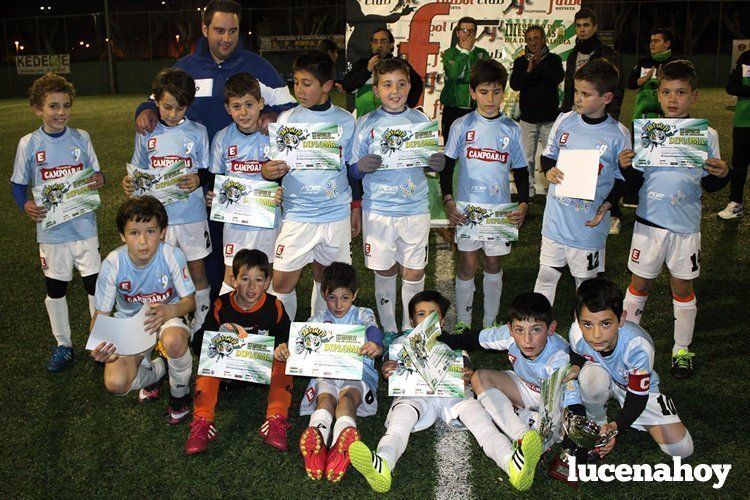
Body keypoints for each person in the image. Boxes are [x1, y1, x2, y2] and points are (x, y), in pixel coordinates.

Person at [133, 0, 296, 304]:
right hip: (196, 179)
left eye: (232, 31)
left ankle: (258, 315)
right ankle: (210, 315)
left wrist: (272, 115)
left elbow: (290, 109)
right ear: (205, 29)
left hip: (243, 180)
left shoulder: (260, 67)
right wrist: (145, 110)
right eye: (219, 30)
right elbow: (157, 100)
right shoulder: (186, 68)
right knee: (204, 252)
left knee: (244, 253)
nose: (226, 38)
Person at [349, 291, 541, 492]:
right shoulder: (402, 342)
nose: (427, 318)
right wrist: (388, 368)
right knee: (399, 423)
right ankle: (383, 463)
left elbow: (465, 363)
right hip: (416, 393)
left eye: (433, 314)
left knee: (481, 422)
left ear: (441, 321)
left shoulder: (451, 342)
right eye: (422, 314)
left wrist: (466, 373)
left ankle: (512, 463)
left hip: (452, 393)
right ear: (413, 321)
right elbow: (390, 362)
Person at [619, 60, 729, 378]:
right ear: (659, 93)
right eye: (667, 91)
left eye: (680, 92)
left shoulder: (706, 135)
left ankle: (681, 349)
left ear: (694, 96)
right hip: (649, 222)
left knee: (682, 286)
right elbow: (636, 185)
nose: (672, 99)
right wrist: (627, 167)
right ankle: (627, 344)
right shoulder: (649, 132)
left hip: (684, 225)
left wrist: (722, 175)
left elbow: (707, 183)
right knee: (639, 283)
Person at [438, 292, 582, 491]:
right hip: (524, 387)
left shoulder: (558, 358)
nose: (527, 339)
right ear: (510, 329)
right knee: (479, 377)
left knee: (550, 425)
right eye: (519, 330)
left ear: (551, 329)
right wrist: (435, 337)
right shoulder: (508, 335)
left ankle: (531, 426)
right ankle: (523, 436)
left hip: (552, 403)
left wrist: (572, 438)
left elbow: (571, 400)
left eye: (536, 330)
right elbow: (471, 340)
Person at [11, 72, 105, 372]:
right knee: (56, 288)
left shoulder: (82, 137)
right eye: (53, 106)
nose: (61, 112)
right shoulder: (28, 143)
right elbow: (17, 185)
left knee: (94, 285)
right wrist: (24, 203)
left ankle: (99, 342)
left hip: (84, 226)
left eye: (65, 106)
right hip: (51, 232)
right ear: (38, 108)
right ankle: (63, 344)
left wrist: (98, 180)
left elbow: (96, 175)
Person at [348, 58, 445, 337]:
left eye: (401, 84)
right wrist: (359, 167)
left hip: (414, 208)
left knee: (414, 272)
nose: (395, 90)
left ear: (409, 86)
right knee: (386, 270)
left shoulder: (420, 120)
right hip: (379, 210)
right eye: (387, 84)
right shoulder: (366, 123)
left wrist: (434, 164)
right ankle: (390, 328)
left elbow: (428, 161)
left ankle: (408, 328)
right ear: (376, 89)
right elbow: (352, 168)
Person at [261, 51, 359, 322]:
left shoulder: (345, 121)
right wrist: (268, 171)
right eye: (296, 82)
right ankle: (284, 335)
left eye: (307, 83)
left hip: (334, 213)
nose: (299, 90)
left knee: (328, 282)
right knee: (281, 282)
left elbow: (352, 169)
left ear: (326, 85)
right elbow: (272, 166)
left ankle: (321, 334)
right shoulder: (287, 120)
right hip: (298, 213)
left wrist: (356, 208)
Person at [274, 263, 384, 483]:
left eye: (345, 297)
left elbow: (373, 329)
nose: (338, 304)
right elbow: (299, 340)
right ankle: (318, 444)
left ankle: (341, 445)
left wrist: (375, 343)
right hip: (325, 371)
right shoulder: (317, 320)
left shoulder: (362, 314)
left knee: (349, 397)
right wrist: (285, 347)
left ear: (355, 295)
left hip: (357, 371)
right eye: (332, 297)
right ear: (323, 294)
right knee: (325, 399)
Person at [90, 196, 196, 424]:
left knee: (175, 340)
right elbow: (102, 314)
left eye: (150, 231)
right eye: (134, 233)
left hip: (167, 315)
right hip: (130, 322)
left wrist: (170, 311)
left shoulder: (172, 256)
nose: (143, 241)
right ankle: (159, 371)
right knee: (116, 384)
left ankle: (180, 395)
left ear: (163, 232)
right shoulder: (112, 264)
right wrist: (97, 344)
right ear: (122, 236)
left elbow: (189, 301)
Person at [534, 59, 630, 307]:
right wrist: (549, 170)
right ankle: (536, 333)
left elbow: (622, 180)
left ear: (606, 97)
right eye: (576, 91)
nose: (577, 98)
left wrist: (607, 205)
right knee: (546, 274)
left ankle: (586, 340)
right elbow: (548, 154)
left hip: (588, 224)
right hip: (556, 219)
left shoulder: (618, 134)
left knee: (586, 286)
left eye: (586, 94)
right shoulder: (564, 120)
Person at [441, 59, 529, 329]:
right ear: (472, 92)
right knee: (467, 264)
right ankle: (465, 323)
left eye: (496, 92)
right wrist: (448, 200)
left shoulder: (512, 129)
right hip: (468, 210)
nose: (490, 99)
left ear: (504, 92)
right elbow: (447, 167)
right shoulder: (461, 125)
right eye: (483, 92)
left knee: (493, 264)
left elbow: (522, 169)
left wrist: (524, 203)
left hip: (499, 211)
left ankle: (490, 322)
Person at [124, 68, 212, 333]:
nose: (173, 114)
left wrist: (199, 180)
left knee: (196, 272)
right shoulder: (146, 132)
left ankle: (201, 323)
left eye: (180, 108)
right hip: (158, 219)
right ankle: (166, 322)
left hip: (191, 216)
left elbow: (208, 168)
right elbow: (137, 169)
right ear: (156, 101)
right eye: (167, 107)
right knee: (161, 274)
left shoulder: (198, 131)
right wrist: (128, 182)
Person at [567, 278, 694, 460]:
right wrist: (576, 366)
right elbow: (577, 350)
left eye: (605, 323)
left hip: (634, 390)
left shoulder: (638, 346)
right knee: (591, 378)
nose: (596, 334)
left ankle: (632, 418)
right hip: (604, 375)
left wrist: (615, 427)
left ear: (621, 319)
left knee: (681, 449)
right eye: (587, 324)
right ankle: (597, 422)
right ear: (579, 321)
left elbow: (636, 399)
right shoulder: (577, 333)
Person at [185, 249, 293, 455]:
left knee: (284, 360)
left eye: (258, 279)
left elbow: (286, 336)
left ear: (267, 281)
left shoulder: (274, 306)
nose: (252, 287)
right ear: (234, 280)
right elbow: (199, 342)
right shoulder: (220, 305)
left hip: (261, 371)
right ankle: (202, 421)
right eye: (245, 279)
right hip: (229, 374)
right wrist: (216, 336)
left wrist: (282, 346)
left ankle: (276, 419)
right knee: (211, 358)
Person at [208, 73, 282, 295]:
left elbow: (286, 175)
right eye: (237, 106)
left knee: (266, 276)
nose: (243, 112)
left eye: (249, 105)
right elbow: (216, 178)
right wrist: (213, 195)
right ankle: (226, 327)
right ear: (228, 108)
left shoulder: (273, 135)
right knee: (232, 278)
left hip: (268, 220)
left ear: (261, 104)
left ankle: (271, 326)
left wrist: (278, 186)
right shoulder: (222, 138)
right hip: (235, 223)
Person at [560, 8, 626, 235]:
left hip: (601, 119)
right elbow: (570, 88)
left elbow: (617, 89)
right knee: (580, 168)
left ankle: (613, 213)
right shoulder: (572, 55)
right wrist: (564, 112)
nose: (582, 30)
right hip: (576, 119)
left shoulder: (608, 54)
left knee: (607, 169)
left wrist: (611, 118)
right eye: (579, 26)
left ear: (595, 27)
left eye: (587, 25)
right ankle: (578, 211)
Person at [510, 25, 565, 198]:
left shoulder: (554, 60)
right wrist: (528, 69)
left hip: (550, 119)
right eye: (530, 39)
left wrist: (539, 64)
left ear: (544, 40)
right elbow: (515, 84)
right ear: (526, 41)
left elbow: (557, 78)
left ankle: (556, 192)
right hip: (527, 119)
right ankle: (528, 193)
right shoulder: (520, 62)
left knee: (553, 157)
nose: (533, 42)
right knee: (526, 159)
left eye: (537, 38)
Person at [341, 28, 424, 117]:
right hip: (366, 119)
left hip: (393, 119)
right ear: (371, 44)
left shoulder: (400, 65)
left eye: (383, 42)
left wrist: (408, 104)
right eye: (375, 42)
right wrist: (368, 69)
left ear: (391, 45)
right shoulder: (362, 64)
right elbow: (347, 85)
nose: (379, 45)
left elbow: (417, 84)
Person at [440, 16, 490, 142]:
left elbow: (484, 79)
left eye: (471, 31)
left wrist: (466, 77)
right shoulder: (450, 53)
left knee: (473, 148)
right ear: (457, 33)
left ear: (476, 33)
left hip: (475, 110)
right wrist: (465, 52)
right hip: (453, 109)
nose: (467, 34)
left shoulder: (482, 54)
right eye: (464, 30)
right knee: (450, 150)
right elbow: (453, 73)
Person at [718, 48, 750, 219]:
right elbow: (731, 87)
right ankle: (736, 203)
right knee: (739, 165)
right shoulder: (746, 57)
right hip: (744, 121)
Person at [628, 28, 676, 120]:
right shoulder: (644, 62)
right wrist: (645, 78)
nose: (652, 44)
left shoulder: (675, 64)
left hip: (668, 114)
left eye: (656, 41)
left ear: (667, 44)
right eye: (651, 41)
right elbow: (631, 84)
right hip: (642, 115)